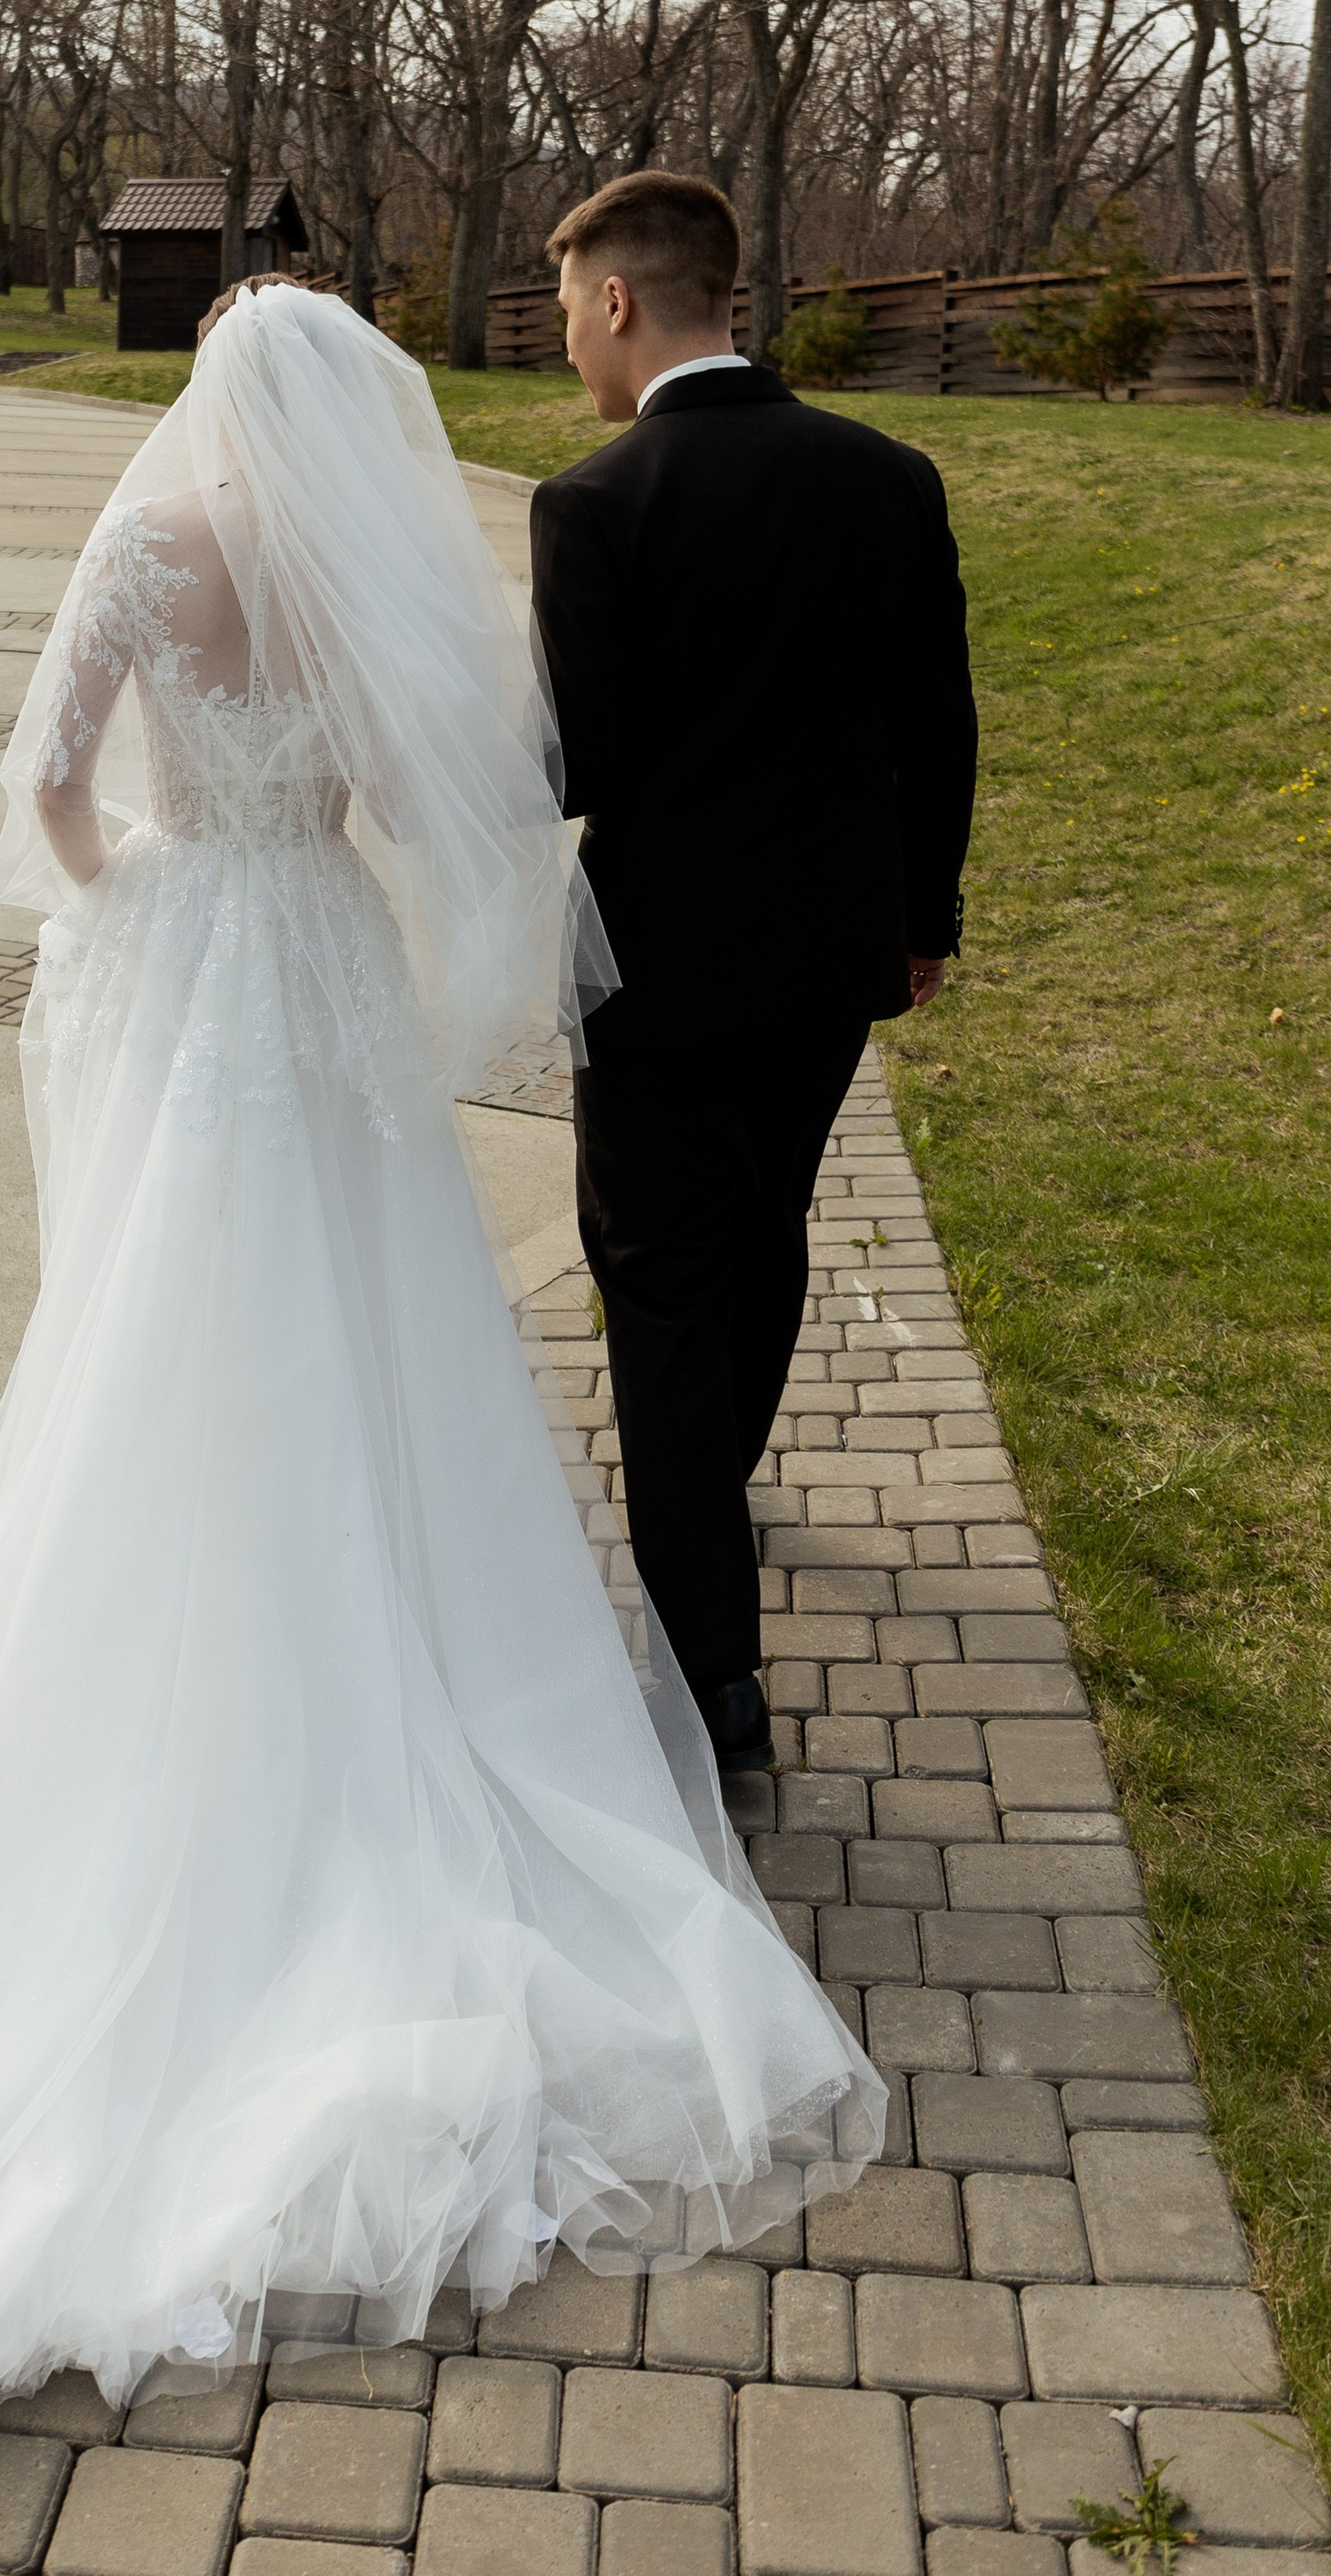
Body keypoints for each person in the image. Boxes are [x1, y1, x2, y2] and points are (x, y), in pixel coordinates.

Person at [0, 281, 882, 2442]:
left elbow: (47, 779)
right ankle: (402, 1672)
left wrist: (130, 907)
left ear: (204, 391)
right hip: (324, 963)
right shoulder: (357, 560)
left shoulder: (142, 546)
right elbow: (434, 793)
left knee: (153, 1334)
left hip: (195, 962)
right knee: (372, 1327)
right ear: (346, 411)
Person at [529, 174, 978, 1778]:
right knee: (766, 1230)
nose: (574, 345)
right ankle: (708, 1511)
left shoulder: (595, 504)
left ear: (627, 304)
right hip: (832, 964)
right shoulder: (888, 476)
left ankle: (713, 1674)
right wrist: (925, 921)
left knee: (658, 1287)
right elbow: (941, 725)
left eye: (575, 310)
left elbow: (571, 765)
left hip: (655, 976)